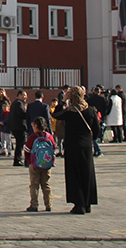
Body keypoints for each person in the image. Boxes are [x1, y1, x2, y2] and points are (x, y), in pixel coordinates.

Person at [54, 86, 98, 214]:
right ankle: (88, 202)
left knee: (75, 174)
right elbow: (96, 129)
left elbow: (56, 115)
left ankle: (79, 204)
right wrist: (89, 139)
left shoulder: (69, 112)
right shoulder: (90, 110)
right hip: (86, 146)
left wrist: (62, 100)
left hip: (73, 145)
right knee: (87, 173)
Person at [24, 116, 55, 212]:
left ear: (36, 126)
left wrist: (29, 161)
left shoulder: (33, 137)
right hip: (46, 164)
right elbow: (53, 148)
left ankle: (34, 205)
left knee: (34, 185)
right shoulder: (49, 136)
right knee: (46, 184)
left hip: (34, 164)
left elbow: (27, 150)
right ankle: (48, 204)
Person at [9, 90, 28, 166]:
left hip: (16, 127)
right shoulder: (18, 103)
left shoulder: (17, 103)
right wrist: (28, 113)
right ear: (19, 95)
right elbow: (22, 113)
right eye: (24, 95)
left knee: (19, 143)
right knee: (20, 144)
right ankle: (17, 160)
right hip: (19, 127)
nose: (25, 97)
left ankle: (18, 159)